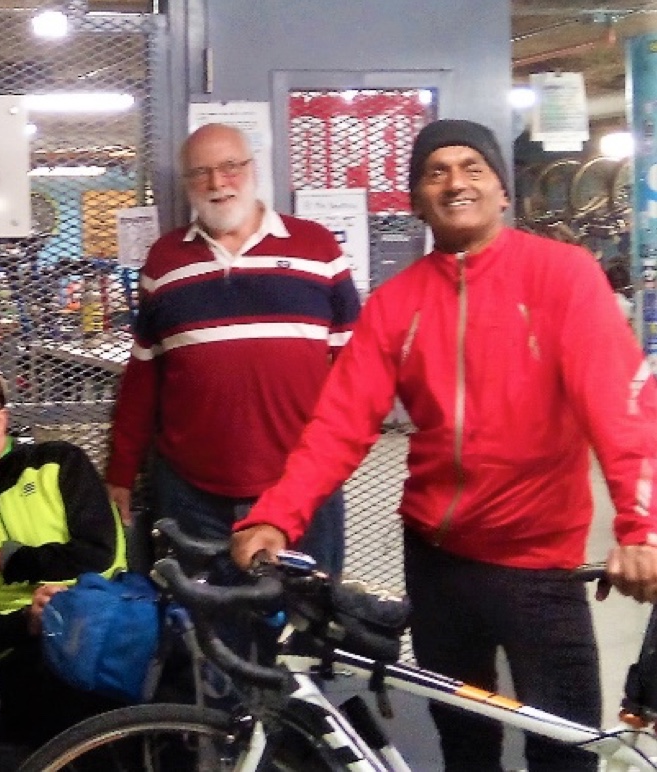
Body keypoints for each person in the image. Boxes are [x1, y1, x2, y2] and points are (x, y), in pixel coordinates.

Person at [231, 118, 657, 772]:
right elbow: (339, 424)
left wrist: (639, 526)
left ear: (502, 191)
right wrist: (276, 516)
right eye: (436, 172)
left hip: (538, 566)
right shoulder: (396, 304)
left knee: (563, 750)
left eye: (471, 168)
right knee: (463, 746)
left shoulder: (562, 276)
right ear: (416, 200)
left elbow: (619, 411)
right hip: (437, 564)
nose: (455, 182)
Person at [106, 122, 359, 576]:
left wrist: (332, 461)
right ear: (187, 183)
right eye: (200, 172)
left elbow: (356, 373)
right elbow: (143, 380)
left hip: (301, 489)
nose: (217, 183)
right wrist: (120, 473)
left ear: (252, 169)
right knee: (201, 616)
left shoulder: (317, 248)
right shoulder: (164, 262)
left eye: (230, 167)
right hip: (191, 495)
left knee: (307, 615)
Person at [0, 364, 128, 746]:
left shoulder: (59, 462)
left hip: (98, 623)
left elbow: (98, 554)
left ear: (0, 418)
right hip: (23, 652)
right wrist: (26, 623)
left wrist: (0, 560)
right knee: (41, 684)